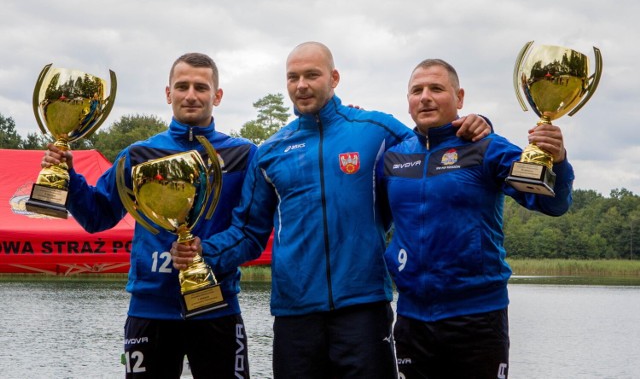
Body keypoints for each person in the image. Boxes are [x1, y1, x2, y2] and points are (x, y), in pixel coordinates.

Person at [171, 42, 490, 378]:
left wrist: (477, 124)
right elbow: (249, 234)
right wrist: (204, 251)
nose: (302, 85)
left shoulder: (375, 130)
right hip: (295, 313)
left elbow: (430, 144)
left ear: (334, 77)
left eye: (312, 75)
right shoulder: (269, 152)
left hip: (364, 307)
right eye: (293, 77)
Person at [41, 53, 256, 378]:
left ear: (217, 95)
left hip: (218, 308)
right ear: (168, 93)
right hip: (149, 311)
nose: (191, 95)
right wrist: (68, 177)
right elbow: (97, 216)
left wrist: (207, 254)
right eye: (182, 86)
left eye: (201, 87)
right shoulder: (138, 155)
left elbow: (251, 233)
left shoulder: (243, 155)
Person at [379, 59, 574, 378]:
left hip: (478, 317)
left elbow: (552, 204)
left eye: (436, 88)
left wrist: (560, 161)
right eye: (417, 90)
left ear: (459, 98)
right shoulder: (393, 158)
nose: (425, 96)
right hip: (412, 319)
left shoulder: (486, 148)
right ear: (408, 101)